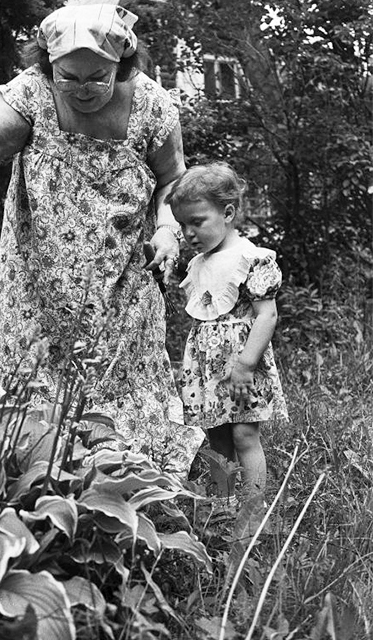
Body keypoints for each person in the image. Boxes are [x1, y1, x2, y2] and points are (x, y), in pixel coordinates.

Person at [0, 3, 204, 477]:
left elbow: (171, 180)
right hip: (38, 278)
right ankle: (38, 482)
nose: (82, 89)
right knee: (35, 387)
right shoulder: (32, 94)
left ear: (122, 62)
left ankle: (134, 490)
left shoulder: (154, 106)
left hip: (121, 277)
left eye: (97, 76)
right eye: (68, 77)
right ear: (47, 66)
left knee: (125, 378)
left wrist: (166, 228)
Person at [165, 162, 287, 510]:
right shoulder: (197, 265)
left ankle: (252, 508)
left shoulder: (250, 258)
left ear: (228, 212)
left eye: (197, 222)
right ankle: (223, 505)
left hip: (240, 363)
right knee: (216, 437)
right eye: (183, 224)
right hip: (208, 369)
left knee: (245, 434)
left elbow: (267, 315)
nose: (189, 233)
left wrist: (246, 364)